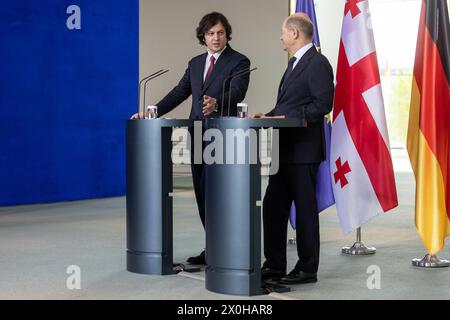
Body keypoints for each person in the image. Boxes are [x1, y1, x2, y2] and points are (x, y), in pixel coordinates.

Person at [133, 12, 251, 265]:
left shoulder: (239, 61)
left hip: (223, 136)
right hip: (197, 134)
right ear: (203, 36)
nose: (216, 38)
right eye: (210, 33)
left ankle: (229, 250)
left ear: (227, 34)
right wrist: (151, 112)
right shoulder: (196, 63)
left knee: (222, 194)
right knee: (202, 193)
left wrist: (217, 103)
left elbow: (238, 91)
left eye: (220, 33)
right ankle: (213, 247)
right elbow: (179, 92)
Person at [253, 13, 334, 284]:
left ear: (294, 34)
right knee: (273, 207)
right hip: (284, 150)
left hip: (303, 151)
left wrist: (289, 119)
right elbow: (289, 105)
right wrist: (269, 115)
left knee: (305, 210)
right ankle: (274, 265)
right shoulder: (294, 64)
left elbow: (322, 104)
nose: (281, 36)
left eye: (283, 32)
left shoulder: (318, 63)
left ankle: (307, 268)